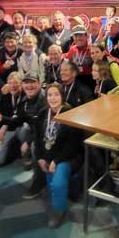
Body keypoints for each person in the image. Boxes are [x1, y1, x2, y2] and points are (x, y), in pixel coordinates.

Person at [0, 72, 48, 199]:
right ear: (23, 85)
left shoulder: (44, 100)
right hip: (37, 132)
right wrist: (2, 119)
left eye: (33, 82)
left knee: (34, 146)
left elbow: (42, 129)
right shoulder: (25, 100)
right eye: (26, 83)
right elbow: (18, 120)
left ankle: (39, 183)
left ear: (39, 84)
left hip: (48, 134)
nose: (29, 86)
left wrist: (28, 142)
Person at [33, 83, 82, 228]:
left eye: (56, 94)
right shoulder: (43, 113)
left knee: (58, 183)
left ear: (62, 97)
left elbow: (72, 146)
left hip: (67, 156)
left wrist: (56, 160)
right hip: (48, 155)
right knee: (51, 182)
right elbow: (37, 138)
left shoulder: (70, 114)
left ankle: (59, 211)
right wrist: (40, 157)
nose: (53, 98)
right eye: (49, 95)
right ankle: (57, 195)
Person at [0, 72, 24, 167]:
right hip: (10, 128)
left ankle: (26, 152)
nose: (13, 86)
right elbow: (2, 114)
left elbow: (21, 117)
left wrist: (4, 126)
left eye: (16, 82)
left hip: (21, 127)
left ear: (21, 83)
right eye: (10, 83)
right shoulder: (5, 95)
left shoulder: (26, 94)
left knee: (26, 128)